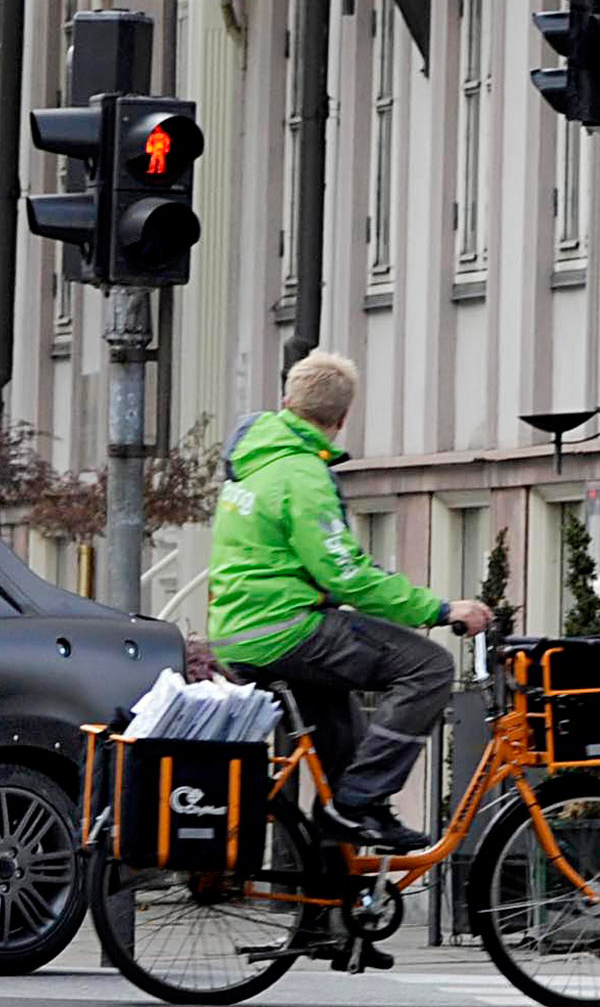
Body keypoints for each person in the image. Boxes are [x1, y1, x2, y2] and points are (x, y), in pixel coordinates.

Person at [208, 349, 491, 852]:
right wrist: (441, 610)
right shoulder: (302, 475)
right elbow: (346, 577)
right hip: (286, 629)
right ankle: (362, 804)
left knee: (343, 758)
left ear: (286, 401)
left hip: (239, 631)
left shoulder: (254, 462)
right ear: (342, 419)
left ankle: (325, 922)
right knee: (427, 667)